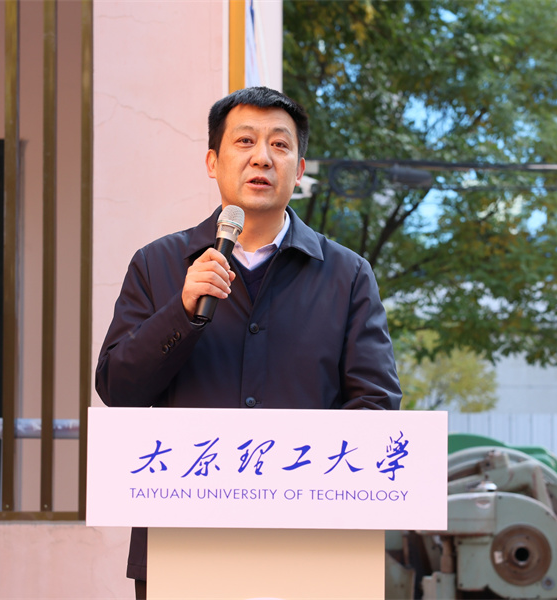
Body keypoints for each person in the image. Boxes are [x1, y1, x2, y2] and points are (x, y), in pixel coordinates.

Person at [95, 86, 401, 596]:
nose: (262, 157)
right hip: (184, 544)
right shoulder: (157, 264)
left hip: (311, 550)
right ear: (213, 162)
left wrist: (294, 483)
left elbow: (376, 405)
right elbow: (118, 390)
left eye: (280, 145)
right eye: (245, 141)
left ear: (299, 171)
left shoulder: (347, 275)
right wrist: (181, 311)